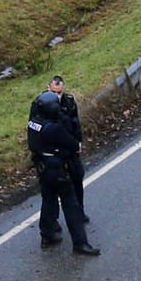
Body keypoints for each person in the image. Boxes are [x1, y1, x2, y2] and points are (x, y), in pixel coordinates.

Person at [27, 91, 100, 255]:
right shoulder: (54, 128)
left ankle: (47, 235)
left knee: (49, 201)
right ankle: (80, 243)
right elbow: (72, 144)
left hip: (42, 168)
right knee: (71, 205)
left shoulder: (33, 123)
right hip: (57, 169)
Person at [48, 75, 87, 222]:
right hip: (55, 151)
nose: (57, 96)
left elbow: (75, 123)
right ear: (48, 89)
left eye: (59, 93)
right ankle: (53, 221)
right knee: (54, 187)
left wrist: (78, 142)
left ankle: (80, 212)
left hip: (70, 148)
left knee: (77, 179)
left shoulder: (69, 101)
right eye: (54, 92)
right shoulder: (43, 105)